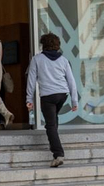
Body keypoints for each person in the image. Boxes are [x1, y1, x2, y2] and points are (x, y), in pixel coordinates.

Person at [25, 33, 80, 167]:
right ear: (57, 45)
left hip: (48, 96)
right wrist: (74, 101)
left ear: (43, 45)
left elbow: (31, 80)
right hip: (62, 94)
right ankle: (55, 144)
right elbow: (71, 81)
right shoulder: (64, 60)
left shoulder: (37, 59)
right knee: (53, 120)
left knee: (50, 125)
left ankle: (58, 154)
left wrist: (29, 98)